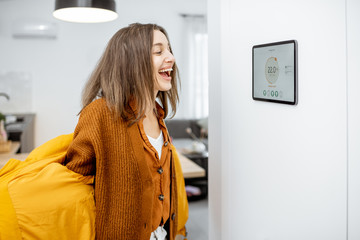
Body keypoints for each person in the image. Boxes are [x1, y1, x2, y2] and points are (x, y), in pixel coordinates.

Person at [64, 23, 184, 240]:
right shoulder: (100, 113)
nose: (171, 57)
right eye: (158, 51)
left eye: (169, 50)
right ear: (132, 61)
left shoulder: (158, 114)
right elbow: (73, 188)